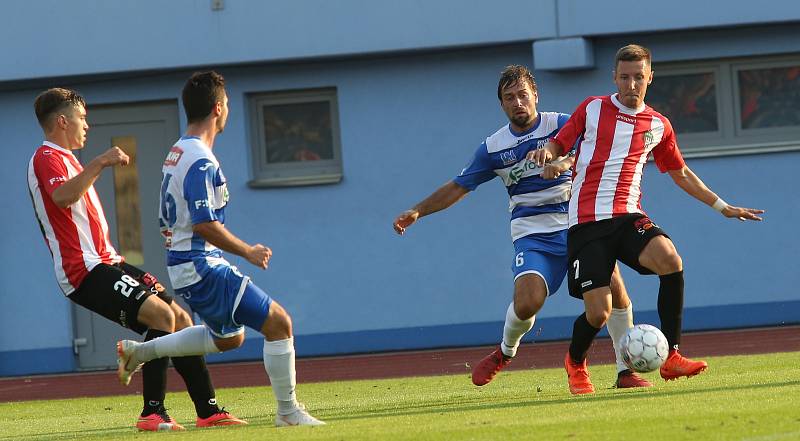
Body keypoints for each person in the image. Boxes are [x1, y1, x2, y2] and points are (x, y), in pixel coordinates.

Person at [393, 65, 651, 389]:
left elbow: (589, 152)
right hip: (532, 233)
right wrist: (418, 210)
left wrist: (562, 162)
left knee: (615, 291)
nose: (518, 102)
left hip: (578, 225)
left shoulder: (562, 124)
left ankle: (624, 370)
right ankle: (505, 352)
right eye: (510, 98)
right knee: (528, 300)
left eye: (523, 95)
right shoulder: (493, 148)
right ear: (502, 104)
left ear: (535, 96)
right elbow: (459, 186)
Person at [529, 44, 764, 395]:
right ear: (614, 77)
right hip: (587, 224)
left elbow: (680, 172)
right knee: (599, 313)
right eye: (624, 77)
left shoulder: (658, 125)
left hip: (628, 218)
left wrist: (722, 206)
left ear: (650, 77)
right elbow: (559, 146)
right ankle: (576, 362)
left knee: (670, 259)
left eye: (639, 77)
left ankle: (672, 355)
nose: (631, 84)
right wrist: (546, 154)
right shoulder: (592, 108)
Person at [27, 88, 245, 430]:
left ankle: (208, 410)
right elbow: (63, 196)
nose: (87, 124)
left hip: (107, 261)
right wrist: (101, 161)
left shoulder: (68, 158)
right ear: (61, 121)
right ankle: (152, 412)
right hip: (82, 269)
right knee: (160, 315)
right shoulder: (46, 157)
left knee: (180, 319)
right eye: (82, 118)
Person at [116, 71, 324, 427]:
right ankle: (288, 413)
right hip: (200, 265)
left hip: (186, 264)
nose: (228, 111)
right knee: (279, 323)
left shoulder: (178, 151)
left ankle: (140, 352)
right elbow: (204, 224)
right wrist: (248, 252)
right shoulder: (199, 159)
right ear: (217, 108)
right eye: (227, 104)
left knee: (229, 339)